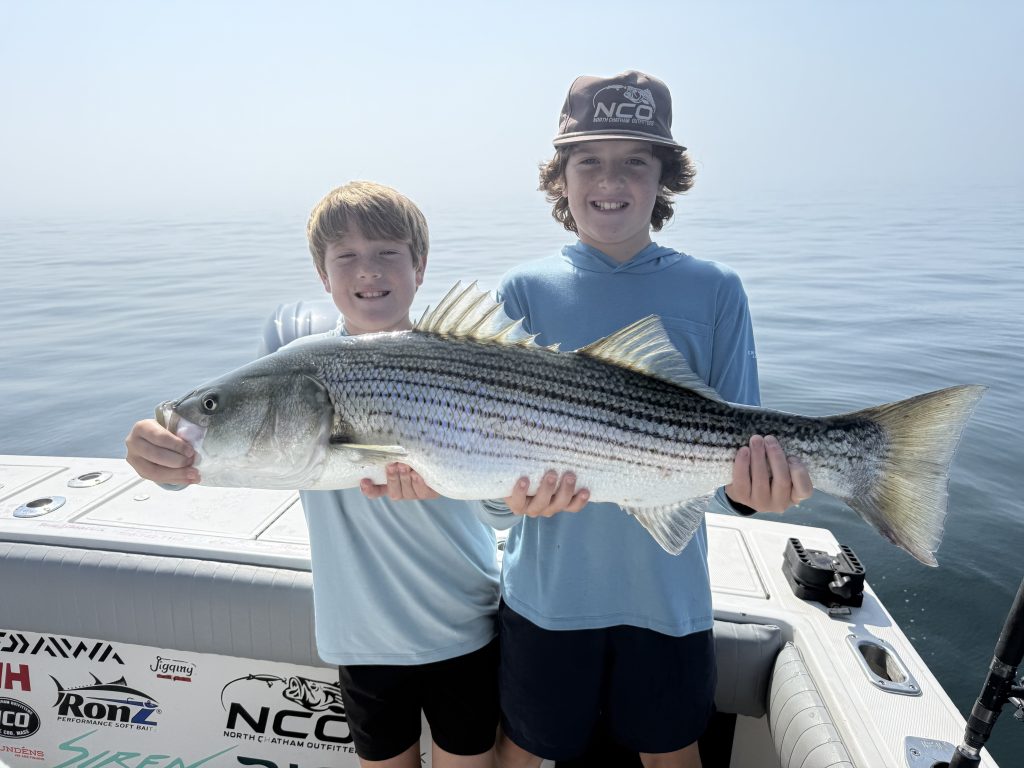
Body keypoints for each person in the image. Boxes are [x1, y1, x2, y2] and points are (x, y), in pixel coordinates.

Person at [480, 71, 815, 768]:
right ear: (560, 176)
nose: (611, 181)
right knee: (523, 746)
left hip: (668, 594)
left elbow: (738, 457)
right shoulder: (522, 290)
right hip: (545, 593)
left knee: (671, 750)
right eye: (588, 161)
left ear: (665, 176)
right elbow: (487, 467)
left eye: (635, 160)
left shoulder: (715, 290)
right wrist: (508, 500)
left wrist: (756, 491)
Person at [124, 181, 501, 768]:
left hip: (465, 623)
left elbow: (503, 507)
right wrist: (161, 457)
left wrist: (505, 497)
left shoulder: (471, 364)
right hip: (360, 637)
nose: (368, 269)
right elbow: (213, 456)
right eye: (346, 256)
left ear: (420, 266)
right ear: (323, 276)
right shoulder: (297, 368)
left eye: (388, 252)